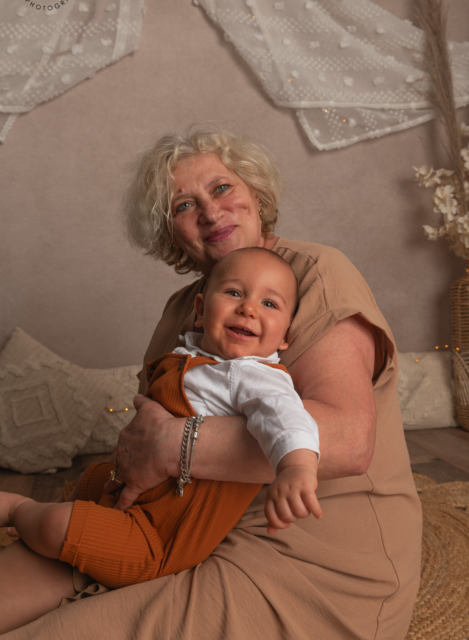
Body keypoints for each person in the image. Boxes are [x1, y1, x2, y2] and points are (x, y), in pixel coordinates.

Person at [0, 129, 422, 640]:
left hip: (301, 553)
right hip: (169, 521)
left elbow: (350, 440)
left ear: (257, 196)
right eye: (184, 204)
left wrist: (168, 443)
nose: (210, 211)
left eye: (221, 188)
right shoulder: (181, 311)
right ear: (169, 231)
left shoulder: (316, 272)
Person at [0, 247, 322, 606]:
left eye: (270, 304)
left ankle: (20, 510)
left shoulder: (255, 376)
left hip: (156, 538)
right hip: (127, 492)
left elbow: (286, 417)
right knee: (91, 479)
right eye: (234, 293)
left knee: (53, 528)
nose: (248, 307)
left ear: (284, 338)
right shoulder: (193, 356)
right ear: (200, 311)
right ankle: (59, 520)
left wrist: (296, 467)